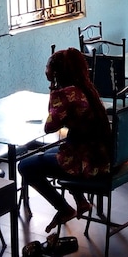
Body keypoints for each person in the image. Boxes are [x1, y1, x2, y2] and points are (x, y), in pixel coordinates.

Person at [18, 47, 112, 232]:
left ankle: (63, 208)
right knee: (55, 150)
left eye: (47, 67)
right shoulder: (85, 88)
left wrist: (53, 89)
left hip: (87, 163)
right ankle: (81, 201)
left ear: (55, 72)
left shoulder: (65, 94)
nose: (45, 70)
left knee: (24, 166)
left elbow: (50, 127)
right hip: (102, 155)